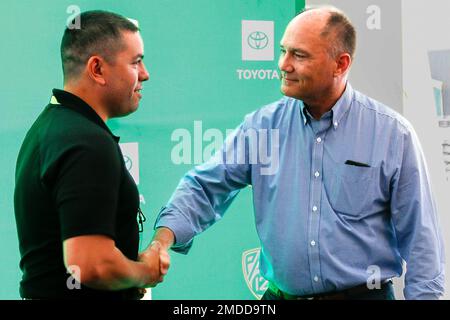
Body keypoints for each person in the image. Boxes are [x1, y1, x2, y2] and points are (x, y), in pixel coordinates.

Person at [151, 7, 445, 300]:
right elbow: (204, 187)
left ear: (340, 64)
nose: (283, 64)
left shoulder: (393, 134)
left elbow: (422, 243)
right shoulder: (262, 127)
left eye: (299, 55)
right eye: (283, 51)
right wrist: (161, 242)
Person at [14, 10, 169, 299]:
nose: (146, 74)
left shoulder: (51, 126)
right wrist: (145, 272)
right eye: (136, 62)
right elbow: (91, 265)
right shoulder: (87, 143)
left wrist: (123, 261)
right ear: (97, 69)